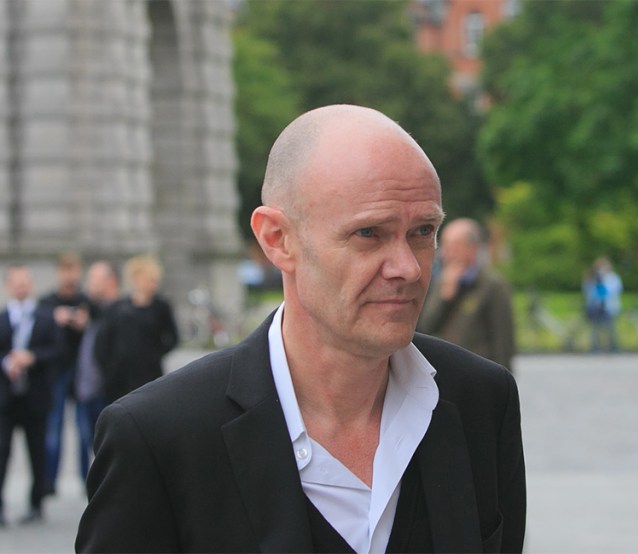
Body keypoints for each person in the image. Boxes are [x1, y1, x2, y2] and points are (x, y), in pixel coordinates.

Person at [76, 105, 526, 553]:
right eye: (369, 233)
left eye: (423, 230)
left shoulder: (482, 402)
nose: (408, 267)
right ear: (277, 239)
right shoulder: (160, 436)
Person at [0, 265, 61, 526]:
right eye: (17, 283)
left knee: (37, 450)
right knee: (2, 452)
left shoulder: (46, 318)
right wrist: (7, 363)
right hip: (6, 399)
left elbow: (58, 351)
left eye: (25, 282)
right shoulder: (3, 317)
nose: (21, 287)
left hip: (35, 397)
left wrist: (32, 358)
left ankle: (36, 502)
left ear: (31, 285)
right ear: (9, 286)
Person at [418, 218, 516, 371]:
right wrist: (443, 298)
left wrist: (503, 380)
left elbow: (503, 340)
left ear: (473, 248)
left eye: (454, 247)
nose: (446, 253)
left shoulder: (493, 285)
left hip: (481, 375)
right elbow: (426, 327)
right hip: (446, 374)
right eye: (445, 246)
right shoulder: (441, 282)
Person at [94, 255, 179, 404]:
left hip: (149, 375)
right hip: (119, 379)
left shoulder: (161, 307)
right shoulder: (117, 308)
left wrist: (154, 354)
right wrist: (109, 369)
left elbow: (173, 337)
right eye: (149, 279)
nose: (153, 284)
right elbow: (102, 344)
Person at [38, 252, 89, 497]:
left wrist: (83, 322)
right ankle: (49, 481)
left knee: (84, 429)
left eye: (73, 270)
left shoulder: (85, 301)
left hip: (80, 373)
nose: (70, 276)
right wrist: (54, 318)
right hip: (56, 371)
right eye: (65, 270)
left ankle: (86, 479)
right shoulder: (48, 302)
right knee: (53, 427)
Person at [73, 261, 121, 483]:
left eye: (94, 280)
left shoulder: (119, 312)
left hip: (107, 391)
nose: (88, 285)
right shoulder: (91, 311)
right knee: (86, 443)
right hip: (86, 390)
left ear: (110, 282)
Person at [583, 257, 623, 352]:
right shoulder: (592, 278)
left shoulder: (613, 278)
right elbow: (589, 293)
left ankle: (613, 347)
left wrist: (602, 282)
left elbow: (611, 291)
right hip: (596, 307)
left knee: (610, 328)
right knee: (595, 329)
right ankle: (595, 347)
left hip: (609, 307)